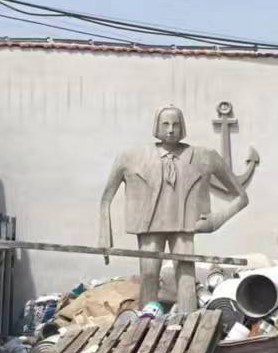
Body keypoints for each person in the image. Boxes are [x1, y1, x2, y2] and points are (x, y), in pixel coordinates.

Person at [98, 106, 249, 313]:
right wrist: (105, 236)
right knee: (149, 274)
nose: (170, 129)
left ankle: (188, 321)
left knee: (186, 278)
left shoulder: (205, 157)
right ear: (156, 126)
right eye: (165, 124)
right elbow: (106, 198)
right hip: (150, 227)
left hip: (184, 227)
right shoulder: (131, 157)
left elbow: (241, 197)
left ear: (183, 127)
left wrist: (217, 220)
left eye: (175, 124)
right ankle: (147, 320)